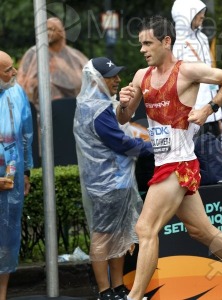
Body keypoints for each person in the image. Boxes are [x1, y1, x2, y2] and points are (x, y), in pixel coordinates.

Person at [116, 16, 222, 300]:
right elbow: (124, 117)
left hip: (179, 164)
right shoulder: (141, 76)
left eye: (148, 43)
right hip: (164, 163)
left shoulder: (187, 71)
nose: (142, 49)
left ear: (166, 42)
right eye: (140, 44)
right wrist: (122, 103)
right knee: (202, 231)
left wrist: (208, 109)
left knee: (145, 228)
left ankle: (134, 297)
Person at [73, 57, 153, 300]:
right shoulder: (95, 108)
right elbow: (120, 142)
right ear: (96, 79)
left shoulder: (99, 103)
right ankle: (105, 291)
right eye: (112, 76)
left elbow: (120, 127)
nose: (117, 79)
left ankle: (118, 288)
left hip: (115, 181)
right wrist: (153, 147)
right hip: (105, 184)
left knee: (119, 234)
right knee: (103, 235)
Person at [171, 0, 222, 185]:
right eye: (198, 13)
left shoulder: (202, 38)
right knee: (202, 171)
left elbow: (211, 81)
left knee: (216, 169)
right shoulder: (177, 45)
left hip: (209, 114)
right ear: (185, 16)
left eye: (203, 12)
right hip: (194, 118)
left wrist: (217, 116)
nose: (203, 16)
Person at [0, 50, 33, 300]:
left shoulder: (16, 92)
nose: (13, 73)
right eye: (7, 69)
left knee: (8, 240)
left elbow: (26, 136)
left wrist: (26, 172)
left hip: (11, 181)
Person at [17, 17, 88, 112]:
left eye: (52, 29)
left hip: (71, 110)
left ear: (62, 31)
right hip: (40, 111)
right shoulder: (33, 54)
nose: (48, 32)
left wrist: (64, 68)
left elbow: (84, 83)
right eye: (45, 29)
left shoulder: (75, 56)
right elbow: (22, 82)